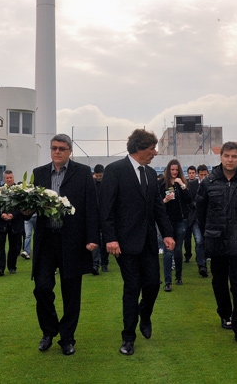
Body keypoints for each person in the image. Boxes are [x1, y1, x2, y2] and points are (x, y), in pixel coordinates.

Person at [99, 128, 175, 356]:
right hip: (124, 243)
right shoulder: (115, 170)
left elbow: (158, 208)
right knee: (132, 287)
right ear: (139, 148)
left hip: (148, 242)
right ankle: (128, 337)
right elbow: (106, 209)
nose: (155, 152)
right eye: (152, 148)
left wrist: (167, 233)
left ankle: (145, 313)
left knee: (152, 284)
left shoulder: (151, 174)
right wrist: (110, 238)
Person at [30, 134, 100, 356]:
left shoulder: (82, 173)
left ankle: (67, 337)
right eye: (54, 148)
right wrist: (22, 210)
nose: (57, 152)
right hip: (46, 240)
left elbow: (91, 206)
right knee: (42, 288)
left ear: (70, 151)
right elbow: (30, 207)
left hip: (72, 240)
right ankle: (49, 331)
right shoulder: (39, 173)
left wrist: (92, 237)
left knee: (71, 292)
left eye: (61, 148)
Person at [195, 143, 237, 347]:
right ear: (221, 157)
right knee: (219, 282)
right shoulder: (208, 182)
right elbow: (200, 213)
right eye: (226, 156)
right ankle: (225, 313)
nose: (230, 160)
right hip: (216, 239)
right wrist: (209, 232)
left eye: (234, 156)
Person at [159, 159, 191, 292]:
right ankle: (168, 282)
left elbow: (189, 199)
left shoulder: (181, 183)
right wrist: (165, 200)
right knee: (168, 251)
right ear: (168, 170)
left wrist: (182, 185)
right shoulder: (162, 184)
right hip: (167, 221)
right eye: (172, 169)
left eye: (176, 170)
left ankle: (178, 276)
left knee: (178, 250)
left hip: (181, 221)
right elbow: (157, 204)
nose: (174, 172)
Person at [0, 170, 24, 276]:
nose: (9, 179)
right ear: (4, 179)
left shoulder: (19, 191)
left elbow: (22, 206)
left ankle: (12, 266)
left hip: (15, 223)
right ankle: (0, 267)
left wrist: (13, 215)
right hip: (1, 223)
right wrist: (1, 214)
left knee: (14, 246)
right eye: (7, 178)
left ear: (13, 178)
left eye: (11, 177)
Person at [183, 165, 207, 277]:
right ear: (198, 174)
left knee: (204, 241)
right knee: (199, 240)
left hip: (208, 218)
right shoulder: (192, 185)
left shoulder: (211, 184)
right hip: (196, 217)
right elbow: (188, 200)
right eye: (201, 174)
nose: (203, 176)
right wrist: (195, 204)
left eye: (205, 174)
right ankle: (202, 265)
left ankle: (202, 259)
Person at [93, 164, 110, 273]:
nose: (99, 178)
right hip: (95, 216)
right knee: (95, 240)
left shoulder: (107, 184)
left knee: (105, 241)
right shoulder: (92, 184)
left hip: (105, 216)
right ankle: (95, 263)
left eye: (100, 176)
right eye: (97, 176)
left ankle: (104, 263)